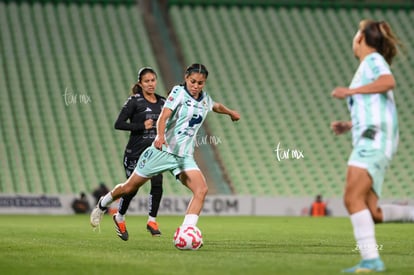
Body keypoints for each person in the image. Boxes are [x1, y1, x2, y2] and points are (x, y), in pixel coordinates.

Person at [90, 63, 240, 240]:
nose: (196, 86)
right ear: (186, 78)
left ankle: (186, 232)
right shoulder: (178, 92)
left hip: (184, 157)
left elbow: (216, 106)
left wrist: (231, 113)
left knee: (201, 190)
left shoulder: (204, 98)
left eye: (200, 83)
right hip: (163, 151)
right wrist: (160, 136)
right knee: (130, 187)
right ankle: (103, 203)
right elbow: (163, 116)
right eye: (193, 81)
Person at [331, 19, 414, 273]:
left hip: (373, 139)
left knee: (351, 198)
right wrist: (350, 125)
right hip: (376, 137)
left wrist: (350, 92)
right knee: (372, 212)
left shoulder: (373, 60)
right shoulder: (368, 65)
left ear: (360, 39)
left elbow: (388, 81)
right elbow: (375, 108)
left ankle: (371, 261)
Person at [113, 67, 165, 240]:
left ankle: (152, 221)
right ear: (140, 84)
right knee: (131, 190)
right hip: (135, 153)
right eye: (147, 81)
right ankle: (119, 216)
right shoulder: (134, 101)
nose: (151, 84)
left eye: (153, 80)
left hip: (154, 153)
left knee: (157, 184)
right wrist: (141, 126)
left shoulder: (163, 102)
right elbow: (119, 124)